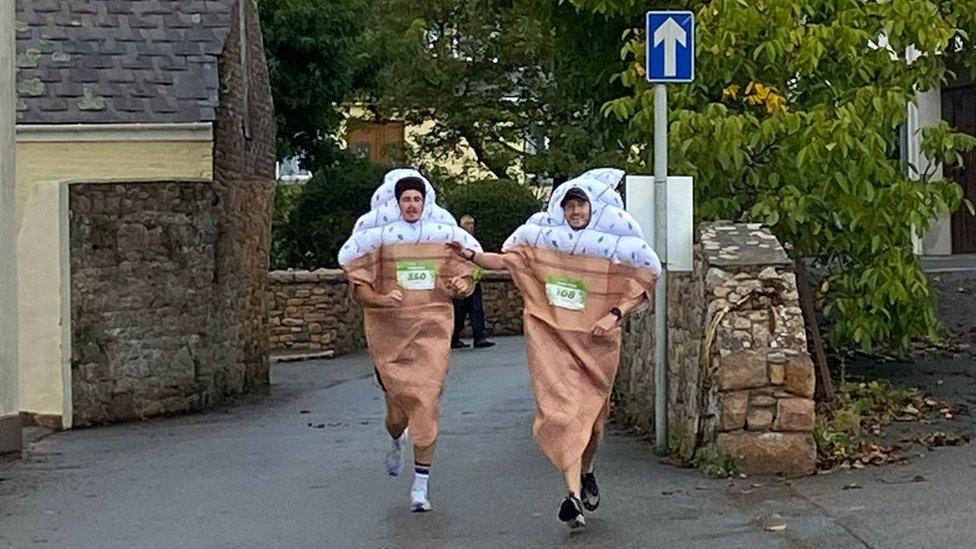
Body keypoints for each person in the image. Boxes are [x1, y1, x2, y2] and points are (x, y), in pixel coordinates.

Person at [447, 168, 660, 528]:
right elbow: (506, 261)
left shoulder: (611, 250)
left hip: (597, 344)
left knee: (593, 424)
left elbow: (641, 285)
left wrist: (612, 315)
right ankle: (572, 497)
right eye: (570, 207)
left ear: (592, 209)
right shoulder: (546, 246)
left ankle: (587, 470)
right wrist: (470, 256)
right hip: (553, 340)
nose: (575, 212)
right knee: (562, 415)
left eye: (581, 206)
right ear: (562, 210)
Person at [338, 168, 482, 513]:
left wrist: (466, 285)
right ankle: (395, 439)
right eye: (406, 200)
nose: (412, 205)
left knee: (427, 399)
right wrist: (383, 300)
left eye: (418, 199)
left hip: (432, 329)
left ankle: (421, 485)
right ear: (397, 203)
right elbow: (359, 290)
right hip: (390, 334)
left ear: (425, 202)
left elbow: (471, 271)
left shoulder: (442, 236)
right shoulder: (379, 240)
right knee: (397, 416)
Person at [451, 215, 495, 349]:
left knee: (476, 310)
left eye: (472, 224)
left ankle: (479, 337)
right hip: (460, 281)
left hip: (473, 280)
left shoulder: (473, 242)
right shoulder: (456, 240)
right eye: (468, 224)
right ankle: (454, 339)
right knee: (459, 312)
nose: (471, 227)